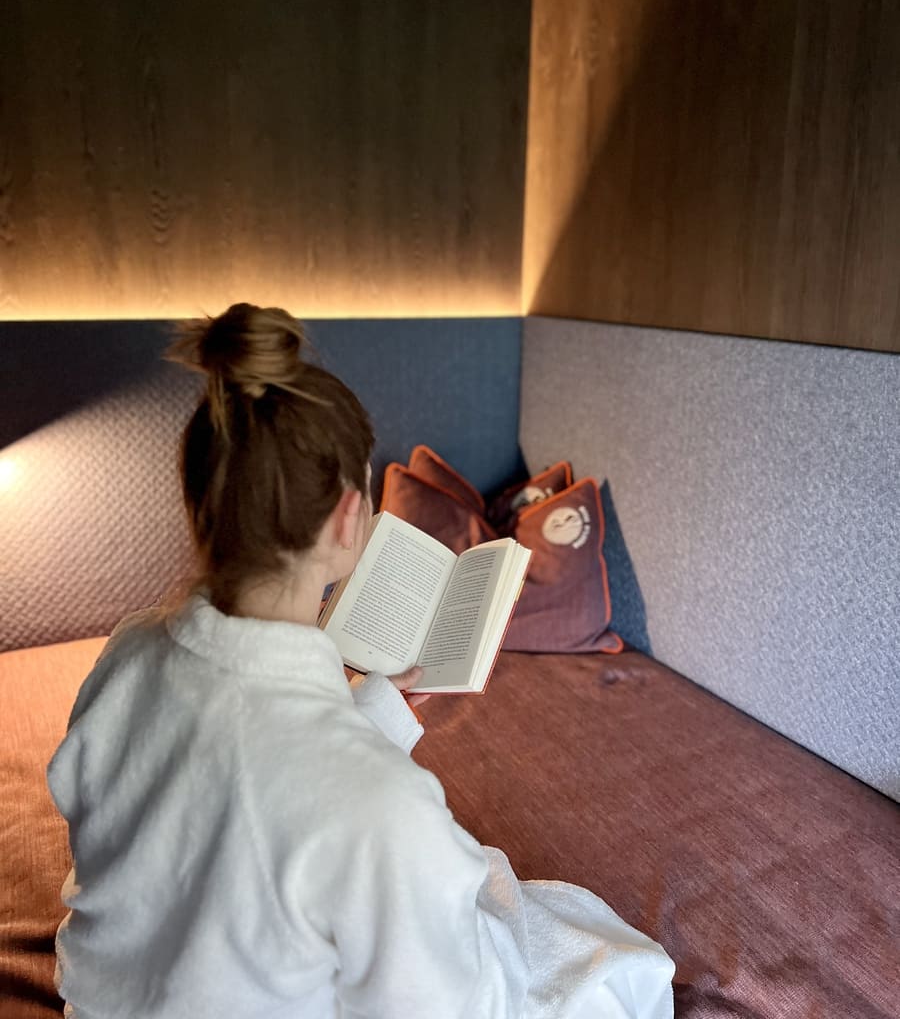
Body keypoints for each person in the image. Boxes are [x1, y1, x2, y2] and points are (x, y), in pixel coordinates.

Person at [48, 302, 675, 1019]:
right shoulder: (382, 804)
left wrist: (375, 711)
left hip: (109, 998)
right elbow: (445, 1002)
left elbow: (228, 786)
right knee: (614, 968)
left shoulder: (126, 655)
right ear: (350, 518)